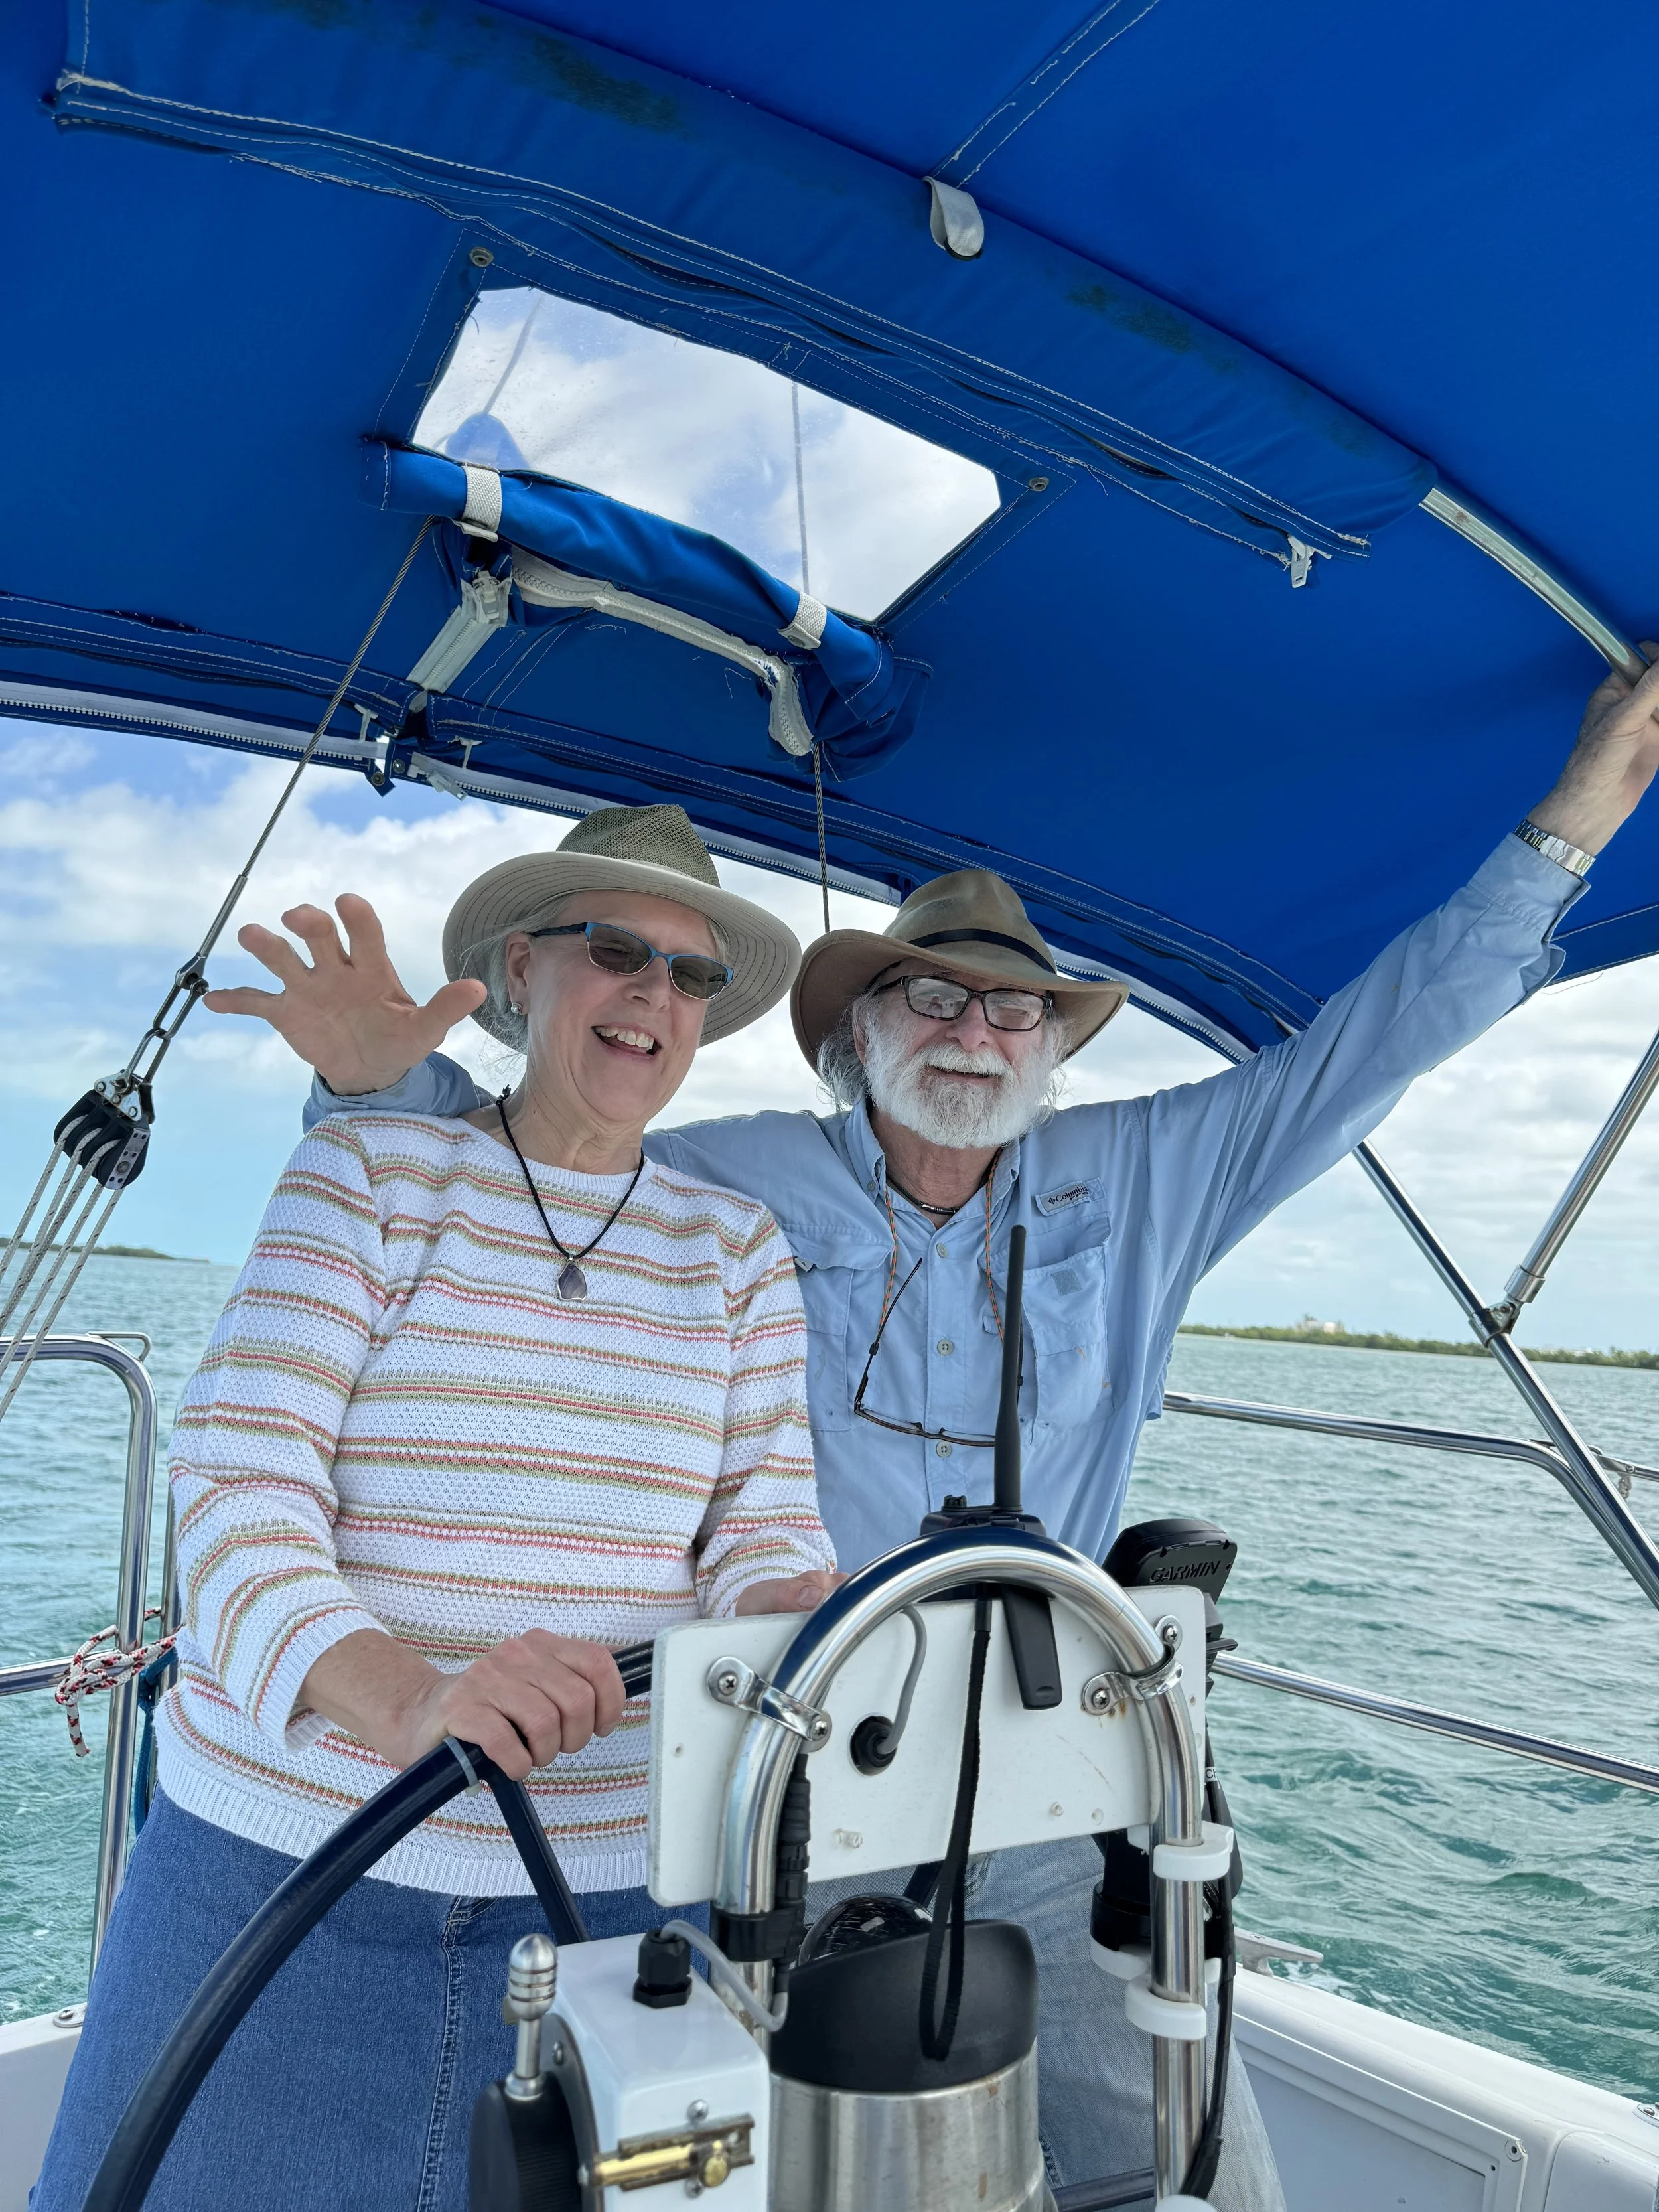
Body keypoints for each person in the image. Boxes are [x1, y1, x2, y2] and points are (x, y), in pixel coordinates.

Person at [207, 650, 1659, 2208]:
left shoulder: (1153, 1174)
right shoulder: (729, 1176)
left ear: (1051, 1047)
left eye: (1017, 1006)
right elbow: (537, 1159)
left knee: (1183, 2147)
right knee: (722, 2148)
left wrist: (1570, 823)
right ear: (857, 1031)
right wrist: (380, 1089)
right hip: (787, 1759)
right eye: (934, 992)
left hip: (1044, 1745)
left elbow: (1370, 1045)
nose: (978, 1027)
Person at [32, 806, 839, 2212]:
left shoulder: (737, 1252)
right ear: (520, 973)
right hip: (285, 1864)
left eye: (689, 975)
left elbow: (764, 1528)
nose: (653, 993)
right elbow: (236, 1480)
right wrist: (413, 1705)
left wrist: (799, 1615)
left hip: (608, 1897)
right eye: (613, 950)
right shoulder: (370, 1174)